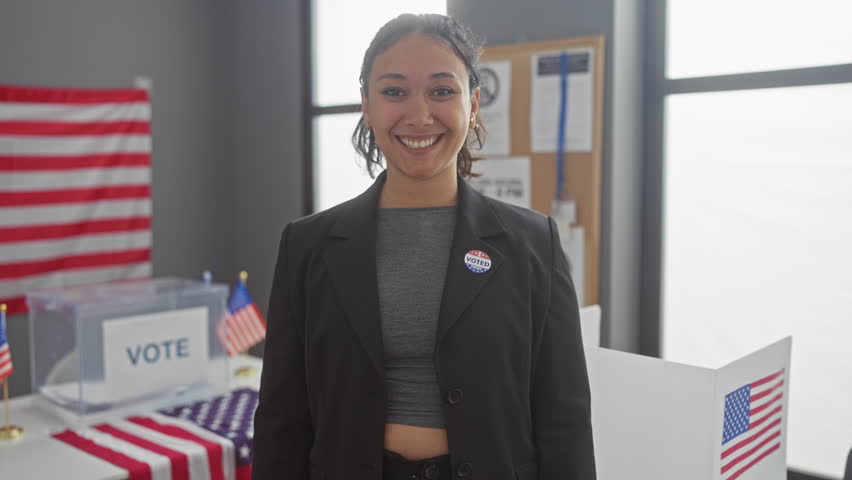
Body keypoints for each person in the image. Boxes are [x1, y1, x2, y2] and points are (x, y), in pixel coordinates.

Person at [252, 13, 595, 480]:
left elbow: (564, 420)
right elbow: (282, 418)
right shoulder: (307, 246)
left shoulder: (534, 244)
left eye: (442, 91)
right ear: (367, 105)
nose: (419, 115)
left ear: (473, 104)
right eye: (394, 92)